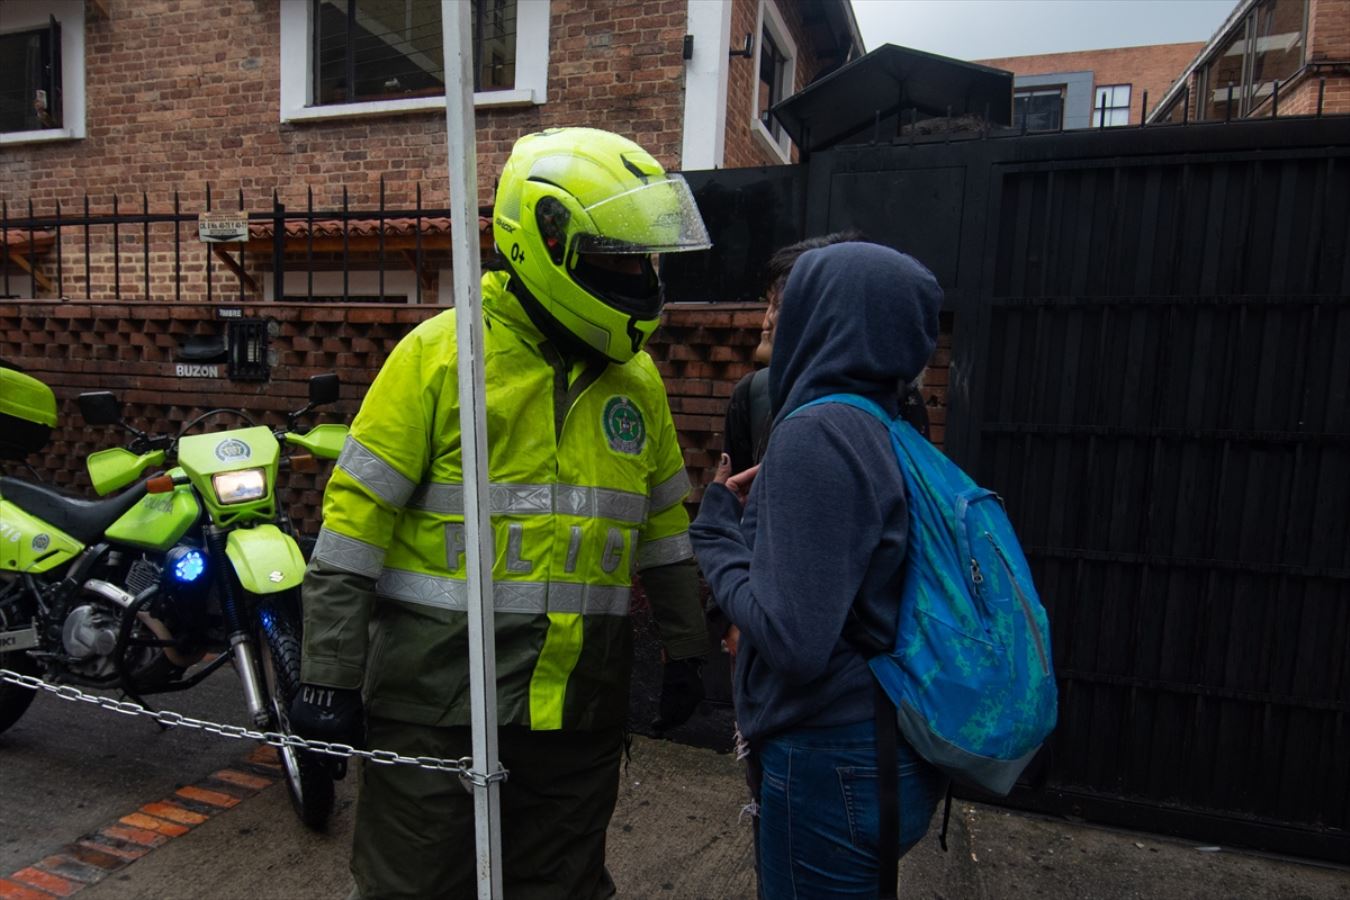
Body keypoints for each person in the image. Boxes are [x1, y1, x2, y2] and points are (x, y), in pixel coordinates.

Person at [289, 127, 712, 900]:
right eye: (615, 255)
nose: (638, 276)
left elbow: (664, 530)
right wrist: (328, 676)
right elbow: (352, 529)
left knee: (563, 889)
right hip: (437, 701)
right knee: (412, 888)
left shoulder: (638, 382)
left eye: (643, 257)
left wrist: (687, 649)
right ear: (545, 241)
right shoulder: (439, 358)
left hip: (579, 707)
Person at [690, 241, 945, 897]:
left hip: (830, 758)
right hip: (883, 748)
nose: (771, 317)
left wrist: (718, 535)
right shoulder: (883, 423)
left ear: (824, 316)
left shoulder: (817, 432)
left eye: (789, 303)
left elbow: (793, 641)